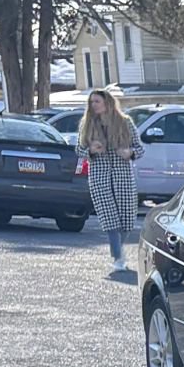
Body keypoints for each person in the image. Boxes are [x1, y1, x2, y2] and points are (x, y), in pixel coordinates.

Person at [77, 88, 142, 272]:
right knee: (109, 219)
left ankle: (118, 250)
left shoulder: (125, 123)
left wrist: (130, 153)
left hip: (122, 176)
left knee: (126, 218)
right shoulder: (87, 124)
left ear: (107, 103)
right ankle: (118, 257)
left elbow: (140, 148)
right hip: (99, 176)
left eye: (97, 101)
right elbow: (78, 150)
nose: (93, 105)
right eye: (91, 102)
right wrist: (90, 150)